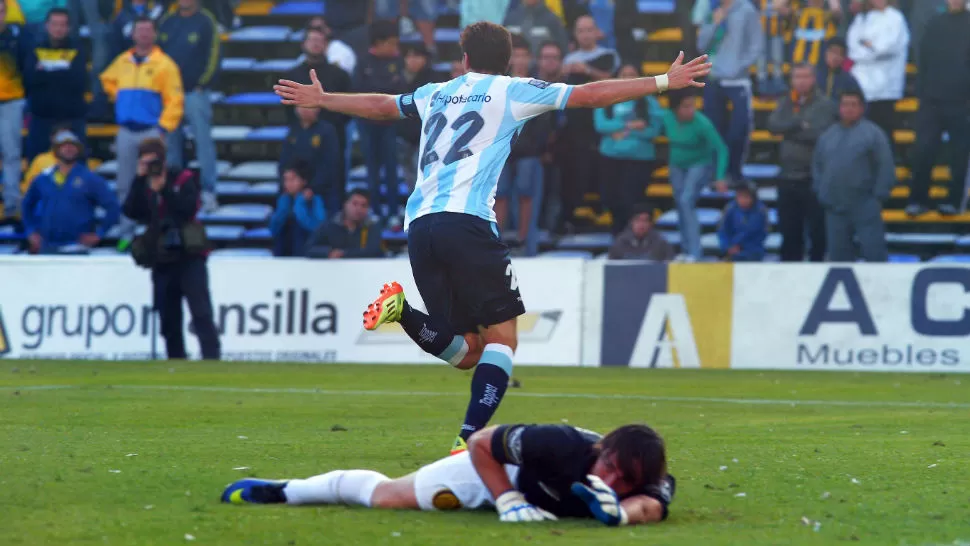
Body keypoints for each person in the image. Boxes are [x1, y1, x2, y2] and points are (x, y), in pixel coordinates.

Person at [274, 21, 710, 454]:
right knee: (502, 342)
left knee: (468, 352)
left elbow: (383, 105)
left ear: (464, 60)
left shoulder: (436, 92)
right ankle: (467, 441)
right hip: (467, 222)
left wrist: (325, 99)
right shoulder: (513, 90)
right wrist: (661, 81)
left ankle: (402, 310)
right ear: (507, 62)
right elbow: (590, 96)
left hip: (420, 225)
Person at [222, 422, 677, 527]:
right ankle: (288, 491)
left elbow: (651, 506)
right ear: (601, 449)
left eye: (625, 480)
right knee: (387, 497)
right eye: (610, 469)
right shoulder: (559, 443)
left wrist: (617, 512)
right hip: (499, 473)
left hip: (530, 498)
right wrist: (508, 500)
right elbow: (480, 442)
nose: (614, 480)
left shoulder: (645, 479)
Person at [123, 137, 220, 360]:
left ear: (164, 161)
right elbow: (131, 211)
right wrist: (139, 180)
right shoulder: (144, 184)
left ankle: (212, 358)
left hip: (189, 255)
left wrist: (165, 190)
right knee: (168, 317)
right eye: (146, 163)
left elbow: (187, 209)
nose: (151, 168)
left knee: (201, 312)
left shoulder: (183, 178)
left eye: (154, 162)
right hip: (161, 256)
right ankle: (176, 359)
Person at [100, 16, 183, 227]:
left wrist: (163, 127)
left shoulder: (165, 64)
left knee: (155, 181)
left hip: (151, 131)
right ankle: (126, 231)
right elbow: (106, 79)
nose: (144, 34)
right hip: (126, 130)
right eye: (140, 30)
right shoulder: (122, 61)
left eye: (148, 30)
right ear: (133, 34)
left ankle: (155, 228)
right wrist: (119, 99)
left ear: (154, 34)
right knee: (125, 182)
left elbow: (175, 99)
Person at [766, 63, 837, 262]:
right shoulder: (786, 102)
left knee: (817, 234)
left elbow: (820, 134)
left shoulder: (825, 105)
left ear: (813, 78)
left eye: (806, 76)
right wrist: (798, 124)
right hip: (787, 178)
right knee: (789, 233)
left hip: (813, 179)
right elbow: (772, 125)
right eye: (797, 76)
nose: (801, 80)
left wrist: (790, 130)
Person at [813, 90, 894, 262]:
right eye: (845, 105)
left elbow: (885, 166)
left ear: (862, 108)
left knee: (874, 254)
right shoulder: (828, 136)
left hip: (864, 205)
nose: (849, 109)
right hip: (834, 207)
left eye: (853, 105)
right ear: (839, 108)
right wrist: (822, 192)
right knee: (838, 258)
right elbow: (817, 165)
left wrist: (878, 196)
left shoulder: (873, 134)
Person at [906, 0, 970, 217]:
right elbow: (923, 58)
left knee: (959, 154)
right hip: (931, 99)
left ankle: (953, 201)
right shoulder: (934, 23)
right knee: (923, 149)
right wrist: (923, 90)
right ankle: (917, 200)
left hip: (961, 100)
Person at [158, 0, 221, 212]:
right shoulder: (167, 21)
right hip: (170, 95)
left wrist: (202, 84)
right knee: (171, 144)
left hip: (196, 93)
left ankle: (208, 191)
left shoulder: (206, 21)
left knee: (203, 142)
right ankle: (175, 189)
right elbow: (158, 57)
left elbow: (214, 56)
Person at [494, 35, 554, 256]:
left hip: (529, 149)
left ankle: (523, 240)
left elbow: (547, 119)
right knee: (498, 195)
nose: (519, 60)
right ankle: (496, 241)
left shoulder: (539, 84)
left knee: (526, 194)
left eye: (523, 55)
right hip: (502, 150)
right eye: (515, 55)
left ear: (530, 58)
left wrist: (540, 147)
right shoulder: (499, 84)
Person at [560, 15, 621, 225]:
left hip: (603, 120)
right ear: (575, 34)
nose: (585, 35)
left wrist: (587, 70)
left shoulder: (609, 55)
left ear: (597, 31)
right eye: (581, 30)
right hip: (576, 125)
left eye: (589, 30)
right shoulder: (568, 60)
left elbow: (616, 83)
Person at [22, 129, 119, 254]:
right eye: (64, 146)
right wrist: (31, 231)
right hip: (47, 246)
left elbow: (113, 207)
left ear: (78, 149)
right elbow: (27, 204)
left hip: (77, 247)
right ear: (56, 150)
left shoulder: (90, 179)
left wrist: (99, 234)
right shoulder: (43, 179)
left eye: (72, 145)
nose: (68, 149)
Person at [697, 0, 763, 183]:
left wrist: (738, 67)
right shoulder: (712, 9)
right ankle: (717, 174)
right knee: (714, 129)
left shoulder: (747, 10)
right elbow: (702, 45)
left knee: (738, 130)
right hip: (713, 79)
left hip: (738, 80)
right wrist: (714, 23)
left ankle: (735, 171)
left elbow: (756, 45)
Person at [593, 63, 663, 235]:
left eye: (632, 74)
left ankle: (629, 238)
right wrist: (631, 125)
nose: (627, 78)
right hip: (610, 158)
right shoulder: (605, 98)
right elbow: (601, 125)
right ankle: (618, 237)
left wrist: (619, 131)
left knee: (631, 201)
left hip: (639, 160)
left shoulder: (650, 103)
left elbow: (653, 130)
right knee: (610, 199)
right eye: (624, 74)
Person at [661, 89, 729, 262]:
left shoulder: (702, 123)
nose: (691, 110)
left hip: (699, 163)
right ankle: (685, 248)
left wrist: (720, 176)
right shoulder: (667, 117)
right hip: (676, 164)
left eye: (693, 105)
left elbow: (721, 149)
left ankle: (695, 252)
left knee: (686, 200)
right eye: (686, 106)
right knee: (680, 204)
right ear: (675, 108)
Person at [285, 24, 351, 196]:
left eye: (321, 41)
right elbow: (286, 106)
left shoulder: (340, 74)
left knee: (335, 183)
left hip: (334, 136)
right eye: (312, 40)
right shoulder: (292, 75)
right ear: (303, 44)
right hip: (301, 135)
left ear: (327, 45)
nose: (316, 44)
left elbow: (349, 106)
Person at [354, 20, 408, 222]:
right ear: (379, 42)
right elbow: (359, 91)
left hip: (390, 124)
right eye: (392, 43)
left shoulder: (398, 61)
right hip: (367, 124)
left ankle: (393, 212)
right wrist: (386, 87)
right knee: (372, 171)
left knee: (392, 169)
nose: (396, 48)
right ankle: (375, 211)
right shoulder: (363, 62)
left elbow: (400, 89)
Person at [22, 8, 88, 162]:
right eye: (55, 24)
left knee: (76, 166)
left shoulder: (78, 49)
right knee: (36, 165)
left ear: (69, 27)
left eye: (62, 25)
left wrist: (45, 71)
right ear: (47, 26)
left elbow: (78, 81)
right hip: (41, 119)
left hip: (72, 119)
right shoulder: (35, 49)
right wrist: (63, 70)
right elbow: (29, 80)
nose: (58, 29)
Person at [846, 0, 909, 138]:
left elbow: (886, 48)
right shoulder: (861, 19)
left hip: (884, 89)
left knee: (882, 135)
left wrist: (867, 47)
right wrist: (870, 47)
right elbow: (853, 47)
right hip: (862, 86)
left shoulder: (895, 18)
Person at [278, 105, 340, 216]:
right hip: (293, 187)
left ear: (318, 109)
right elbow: (284, 161)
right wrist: (286, 184)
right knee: (282, 208)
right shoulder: (293, 131)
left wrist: (312, 188)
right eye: (301, 106)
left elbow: (329, 164)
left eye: (309, 106)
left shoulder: (327, 131)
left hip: (319, 190)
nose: (305, 110)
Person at [304, 188, 384, 259]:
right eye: (355, 204)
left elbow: (375, 251)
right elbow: (309, 248)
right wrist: (328, 253)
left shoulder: (372, 226)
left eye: (364, 205)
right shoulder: (330, 225)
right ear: (345, 204)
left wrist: (342, 254)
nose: (359, 209)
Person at [0, 0, 25, 218]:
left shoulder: (16, 38)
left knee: (12, 154)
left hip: (11, 101)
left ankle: (11, 203)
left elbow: (27, 67)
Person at [270, 161, 326, 257]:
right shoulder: (284, 199)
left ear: (304, 181)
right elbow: (274, 229)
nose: (288, 183)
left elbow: (317, 229)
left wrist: (300, 204)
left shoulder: (315, 200)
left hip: (307, 251)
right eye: (286, 179)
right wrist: (283, 208)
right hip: (284, 252)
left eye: (292, 179)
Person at [717, 183, 768, 261]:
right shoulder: (730, 209)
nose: (743, 200)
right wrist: (728, 246)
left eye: (746, 197)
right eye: (740, 197)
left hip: (753, 251)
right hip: (731, 250)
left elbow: (762, 234)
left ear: (753, 198)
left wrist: (743, 247)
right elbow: (723, 231)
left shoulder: (761, 211)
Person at [608, 206, 675, 261]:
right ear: (631, 222)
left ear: (651, 223)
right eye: (638, 220)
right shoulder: (620, 243)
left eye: (645, 220)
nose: (641, 224)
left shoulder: (661, 244)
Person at [503, 0, 569, 55]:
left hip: (542, 70)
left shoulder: (553, 20)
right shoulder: (509, 19)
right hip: (512, 69)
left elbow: (563, 49)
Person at [756, 0, 791, 95]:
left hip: (777, 29)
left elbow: (787, 10)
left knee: (777, 57)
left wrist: (783, 7)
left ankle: (778, 80)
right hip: (761, 29)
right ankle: (761, 82)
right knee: (761, 57)